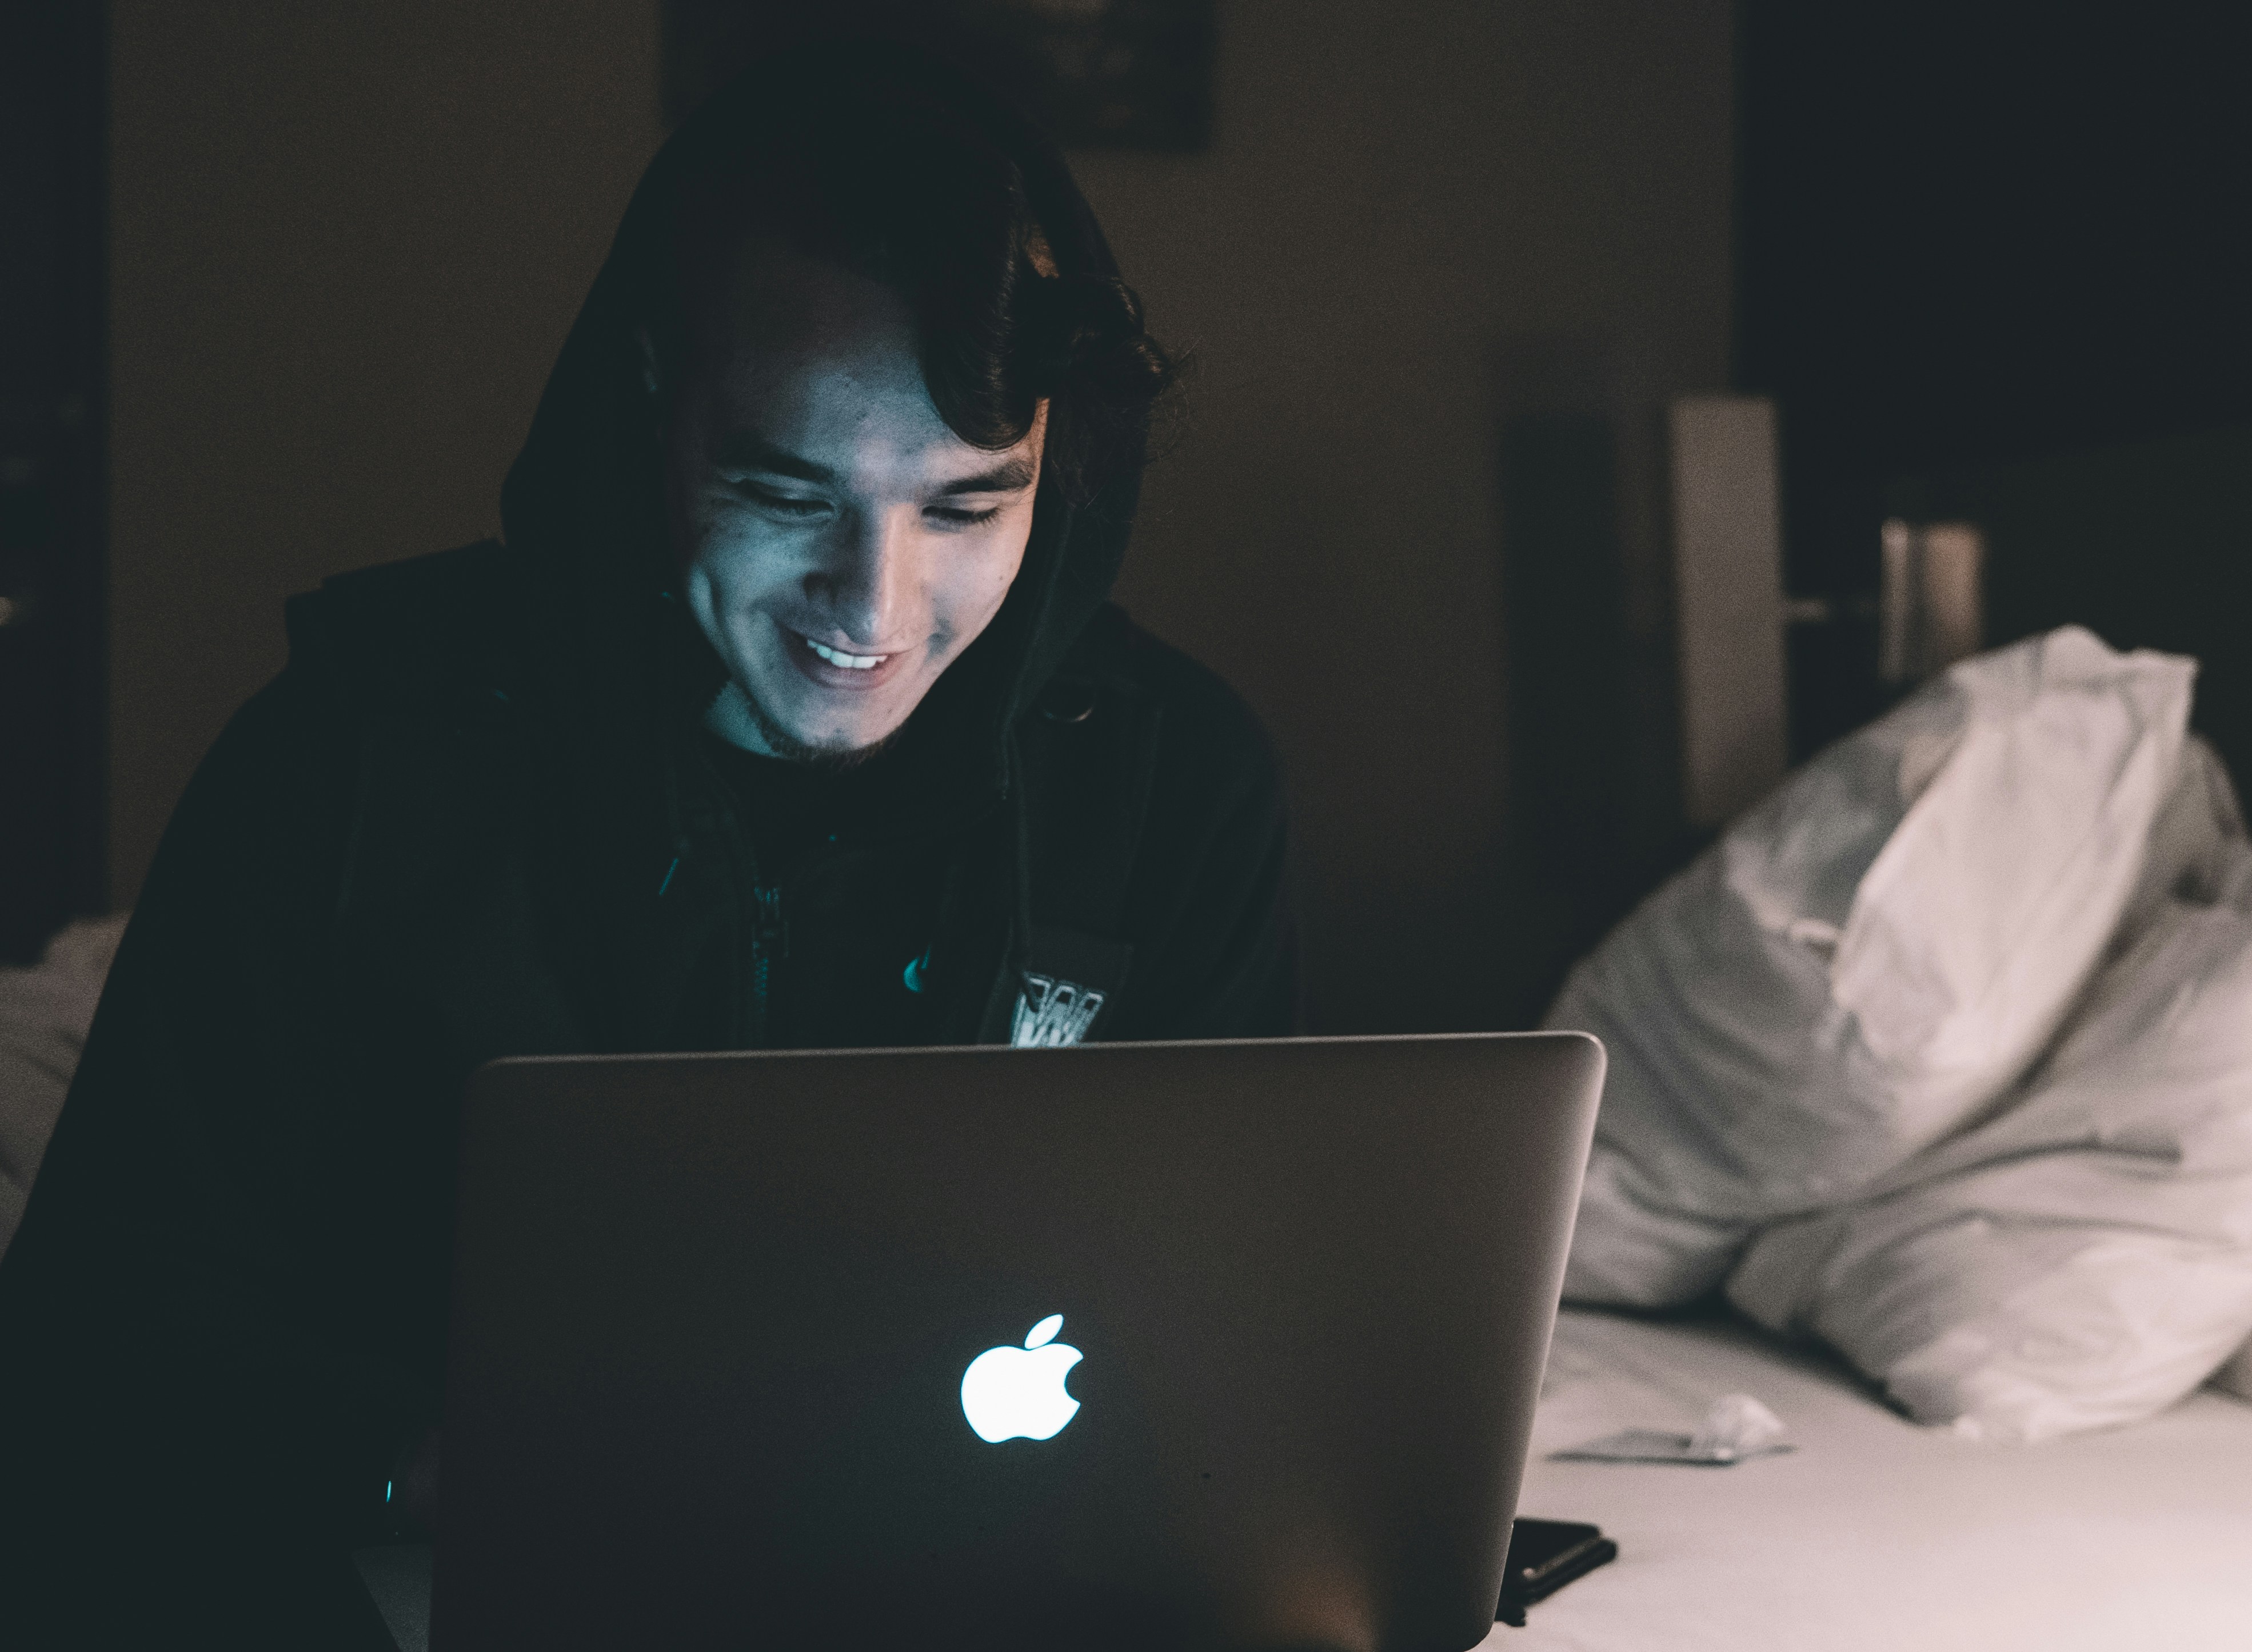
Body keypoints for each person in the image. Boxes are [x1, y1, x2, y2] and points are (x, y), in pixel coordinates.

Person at [0, 43, 1296, 1646]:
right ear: (648, 412)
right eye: (782, 489)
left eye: (967, 509)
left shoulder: (1173, 783)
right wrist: (417, 1467)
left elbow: (1221, 1329)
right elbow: (96, 1348)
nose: (872, 613)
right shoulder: (352, 754)